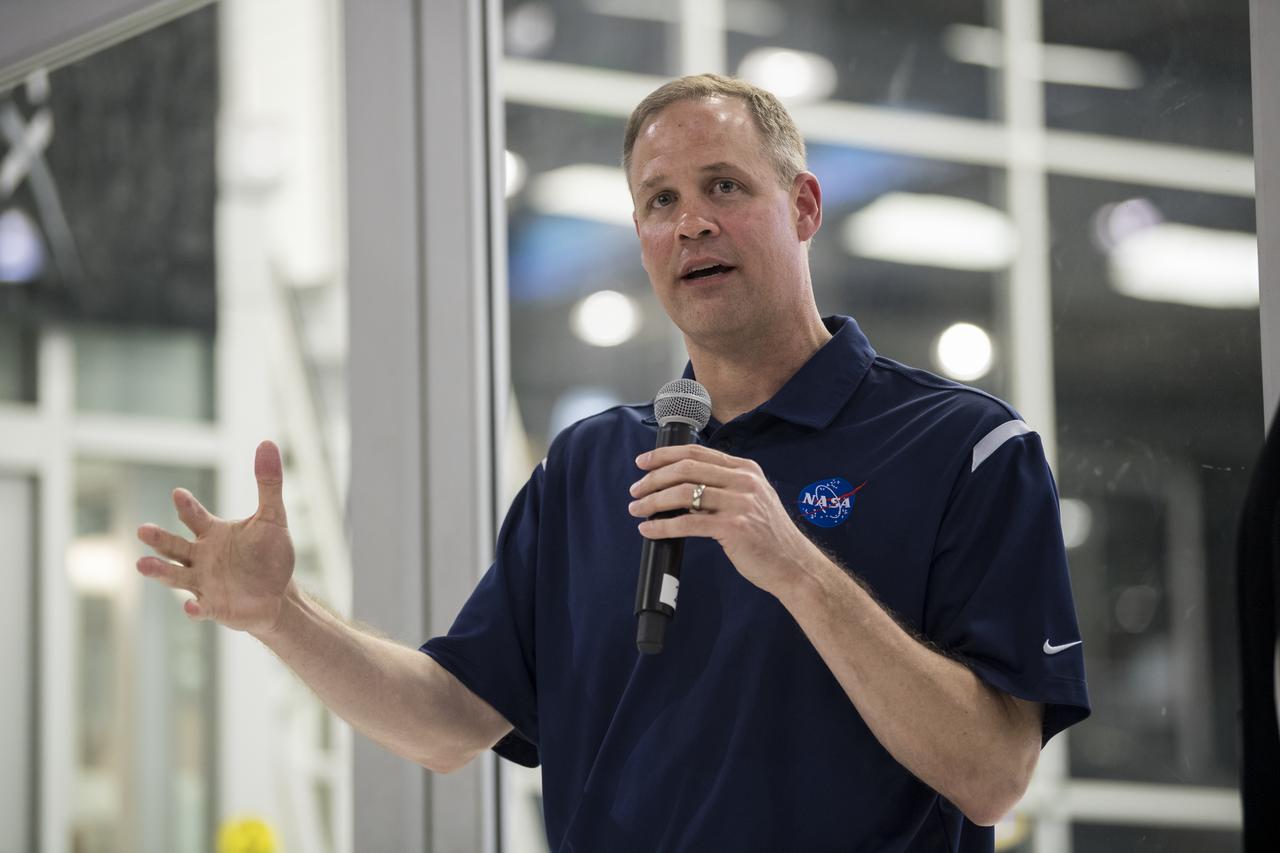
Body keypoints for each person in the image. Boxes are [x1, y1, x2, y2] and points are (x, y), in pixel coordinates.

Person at [137, 74, 1089, 851]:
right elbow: (449, 721)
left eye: (724, 186)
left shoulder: (967, 448)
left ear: (803, 205)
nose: (691, 224)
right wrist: (281, 616)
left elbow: (991, 775)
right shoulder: (590, 467)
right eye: (659, 202)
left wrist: (795, 564)